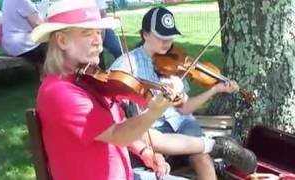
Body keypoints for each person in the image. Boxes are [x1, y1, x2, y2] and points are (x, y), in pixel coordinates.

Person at [31, 1, 188, 179]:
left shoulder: (89, 81)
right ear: (62, 40)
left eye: (99, 32)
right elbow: (117, 134)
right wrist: (154, 112)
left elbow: (119, 123)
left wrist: (145, 152)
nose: (98, 40)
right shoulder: (60, 92)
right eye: (87, 33)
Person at [109, 7, 257, 180]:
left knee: (201, 155)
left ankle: (217, 152)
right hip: (152, 130)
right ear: (145, 34)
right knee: (199, 147)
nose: (167, 41)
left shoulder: (174, 61)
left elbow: (186, 108)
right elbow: (122, 116)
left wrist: (215, 89)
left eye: (169, 36)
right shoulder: (126, 66)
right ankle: (220, 147)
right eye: (161, 36)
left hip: (179, 122)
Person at [1, 0, 47, 78]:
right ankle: (45, 75)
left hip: (9, 44)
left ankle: (43, 73)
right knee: (51, 44)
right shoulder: (23, 1)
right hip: (23, 45)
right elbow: (37, 24)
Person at [95, 0, 123, 69]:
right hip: (88, 27)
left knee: (117, 49)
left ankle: (123, 68)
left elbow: (103, 13)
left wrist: (102, 31)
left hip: (103, 27)